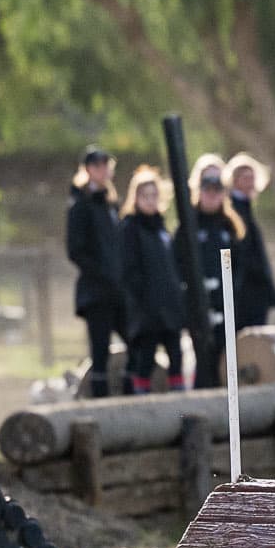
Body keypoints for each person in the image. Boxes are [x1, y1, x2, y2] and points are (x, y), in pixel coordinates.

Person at [115, 166, 188, 393]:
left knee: (176, 354)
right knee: (145, 357)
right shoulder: (129, 228)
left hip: (169, 305)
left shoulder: (162, 229)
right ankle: (142, 399)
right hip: (146, 309)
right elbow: (129, 270)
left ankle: (179, 398)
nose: (150, 200)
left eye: (153, 195)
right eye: (144, 196)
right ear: (135, 198)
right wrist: (143, 299)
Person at [64, 148, 127, 394]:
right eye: (97, 165)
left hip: (117, 289)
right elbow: (75, 250)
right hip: (97, 291)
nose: (102, 170)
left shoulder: (111, 204)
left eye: (105, 165)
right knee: (100, 349)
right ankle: (101, 397)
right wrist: (103, 273)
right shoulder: (81, 204)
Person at [187, 168, 249, 389]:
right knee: (202, 356)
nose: (212, 196)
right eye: (208, 191)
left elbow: (240, 263)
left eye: (216, 191)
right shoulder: (190, 224)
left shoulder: (229, 225)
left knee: (225, 356)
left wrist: (231, 290)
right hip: (198, 303)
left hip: (226, 303)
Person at [226, 153, 275, 328]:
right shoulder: (234, 208)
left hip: (254, 289)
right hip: (245, 291)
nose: (250, 183)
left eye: (252, 178)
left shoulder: (246, 208)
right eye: (245, 178)